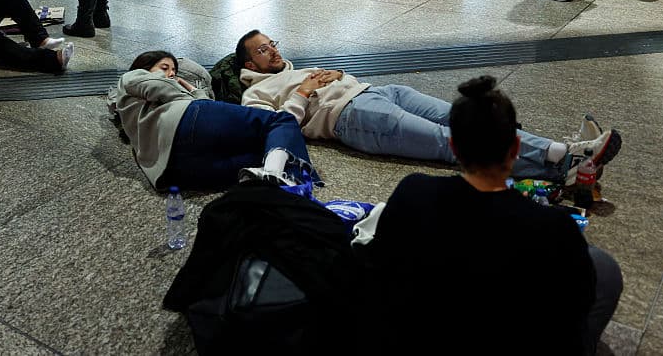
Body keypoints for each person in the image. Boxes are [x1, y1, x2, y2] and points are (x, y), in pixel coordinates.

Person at [363, 76, 622, 355]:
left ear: (454, 147)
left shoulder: (411, 191)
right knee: (605, 269)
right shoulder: (554, 228)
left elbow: (380, 272)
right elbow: (576, 302)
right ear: (515, 148)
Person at [236, 30, 621, 184]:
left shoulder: (292, 68)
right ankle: (563, 157)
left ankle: (564, 160)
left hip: (382, 92)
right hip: (354, 117)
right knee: (450, 142)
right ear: (250, 63)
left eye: (273, 43)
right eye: (264, 50)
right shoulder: (254, 94)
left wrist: (336, 74)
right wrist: (304, 92)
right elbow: (278, 127)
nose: (274, 51)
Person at [108, 50, 316, 191]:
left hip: (172, 169)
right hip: (187, 116)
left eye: (174, 71)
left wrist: (194, 92)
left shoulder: (133, 119)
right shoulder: (132, 76)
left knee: (265, 153)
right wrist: (189, 92)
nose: (171, 74)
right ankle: (283, 177)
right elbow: (163, 89)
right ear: (145, 67)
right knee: (281, 121)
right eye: (164, 67)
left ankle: (281, 181)